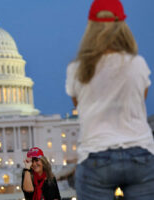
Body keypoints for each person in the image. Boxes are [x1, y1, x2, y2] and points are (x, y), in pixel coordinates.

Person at [65, 0, 154, 199]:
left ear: (90, 28)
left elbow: (79, 106)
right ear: (123, 27)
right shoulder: (138, 64)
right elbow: (141, 100)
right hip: (139, 153)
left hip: (96, 155)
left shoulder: (77, 69)